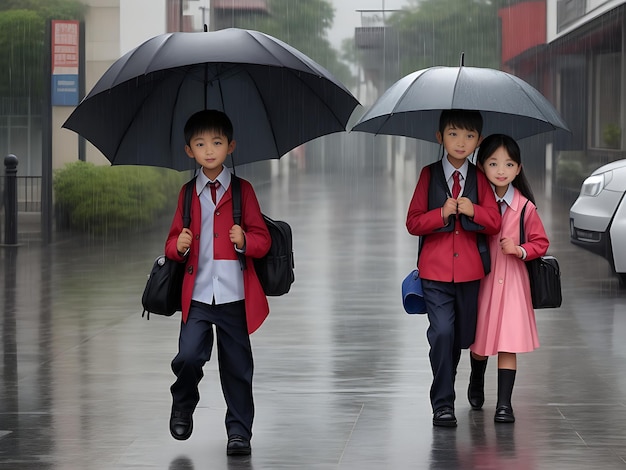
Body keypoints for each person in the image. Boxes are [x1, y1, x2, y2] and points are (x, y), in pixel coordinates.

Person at [164, 109, 271, 455]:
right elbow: (170, 245)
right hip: (196, 295)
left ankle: (239, 431)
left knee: (238, 368)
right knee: (189, 356)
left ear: (231, 146)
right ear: (189, 151)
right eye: (200, 143)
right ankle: (183, 402)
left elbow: (263, 239)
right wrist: (177, 247)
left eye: (216, 142)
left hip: (234, 295)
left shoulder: (242, 191)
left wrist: (244, 240)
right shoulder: (186, 194)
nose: (209, 150)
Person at [406, 110, 501, 427]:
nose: (461, 142)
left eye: (470, 136)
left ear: (479, 141)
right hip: (434, 272)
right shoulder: (428, 175)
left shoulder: (479, 179)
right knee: (443, 333)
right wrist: (440, 213)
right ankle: (442, 404)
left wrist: (474, 209)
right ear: (440, 137)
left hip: (471, 272)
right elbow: (413, 222)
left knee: (464, 335)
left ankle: (471, 374)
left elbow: (494, 222)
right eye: (454, 134)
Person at [468, 134, 549, 423]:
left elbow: (541, 242)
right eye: (493, 163)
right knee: (480, 342)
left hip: (514, 283)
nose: (501, 170)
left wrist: (520, 249)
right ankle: (476, 378)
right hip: (485, 281)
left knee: (508, 341)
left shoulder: (526, 208)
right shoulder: (476, 203)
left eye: (508, 163)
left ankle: (505, 404)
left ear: (518, 168)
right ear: (481, 167)